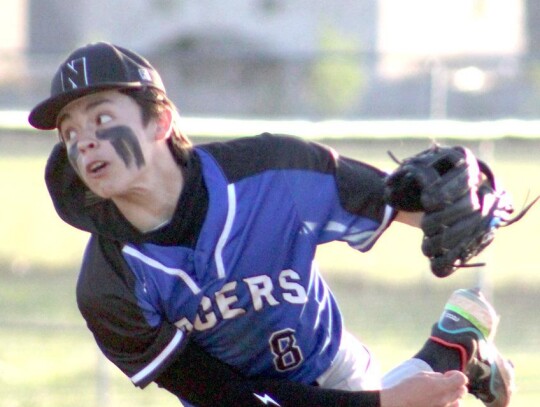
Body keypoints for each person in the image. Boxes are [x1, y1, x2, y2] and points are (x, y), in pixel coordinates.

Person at [28, 42, 513, 407]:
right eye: (70, 132)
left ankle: (454, 346)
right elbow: (231, 398)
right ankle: (454, 344)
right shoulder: (109, 283)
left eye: (102, 118)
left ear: (160, 121)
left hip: (329, 366)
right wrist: (385, 404)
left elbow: (400, 201)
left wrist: (464, 200)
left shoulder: (271, 174)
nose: (83, 142)